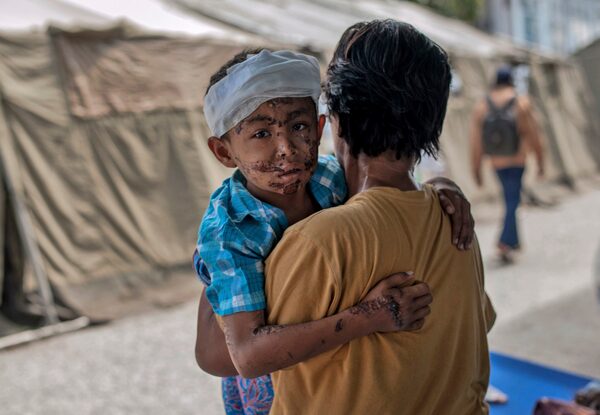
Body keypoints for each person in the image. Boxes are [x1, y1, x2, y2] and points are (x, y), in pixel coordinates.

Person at [193, 49, 475, 414]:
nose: (286, 149)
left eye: (298, 127)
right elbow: (247, 356)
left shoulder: (329, 177)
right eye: (261, 133)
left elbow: (388, 180)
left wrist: (441, 186)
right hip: (267, 387)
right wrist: (369, 316)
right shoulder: (232, 232)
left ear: (320, 128)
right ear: (223, 152)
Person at [263, 20, 496, 414]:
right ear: (433, 121)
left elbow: (230, 354)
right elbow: (477, 324)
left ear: (336, 117)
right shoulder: (456, 222)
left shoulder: (317, 241)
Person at [470, 64, 545, 263]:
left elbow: (476, 142)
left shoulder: (482, 106)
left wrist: (476, 169)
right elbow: (534, 134)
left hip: (497, 163)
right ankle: (505, 241)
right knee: (513, 200)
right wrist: (540, 160)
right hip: (517, 160)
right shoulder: (521, 102)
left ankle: (514, 241)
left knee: (511, 198)